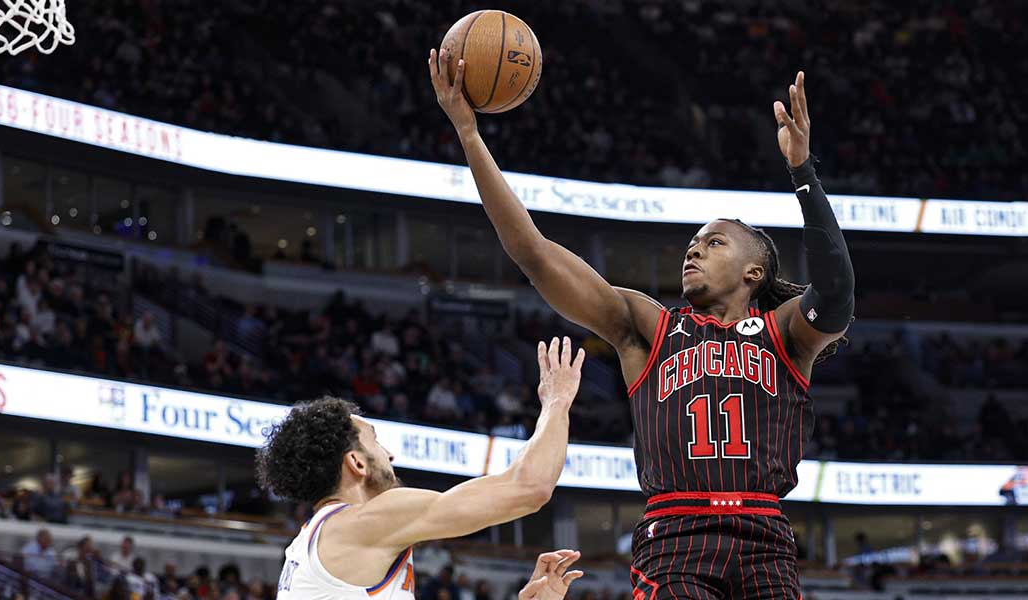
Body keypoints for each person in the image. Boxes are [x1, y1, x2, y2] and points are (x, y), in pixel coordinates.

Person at [432, 56, 853, 599]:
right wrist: (468, 134)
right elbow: (533, 254)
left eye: (713, 241)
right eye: (692, 243)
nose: (694, 249)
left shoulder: (786, 335)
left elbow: (837, 292)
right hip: (675, 535)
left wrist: (803, 173)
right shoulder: (648, 327)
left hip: (765, 537)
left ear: (755, 271)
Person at [259, 338, 587, 600]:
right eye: (375, 441)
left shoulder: (314, 545)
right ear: (357, 463)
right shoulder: (360, 524)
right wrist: (557, 402)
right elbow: (530, 488)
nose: (390, 454)